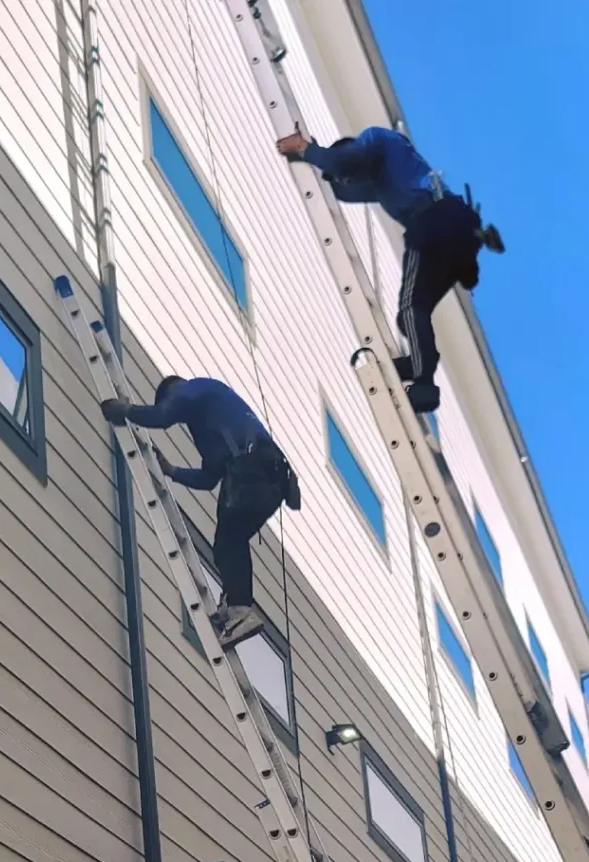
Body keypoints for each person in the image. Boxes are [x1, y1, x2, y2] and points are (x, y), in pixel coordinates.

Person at [277, 125, 505, 414]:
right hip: (455, 231)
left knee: (411, 309)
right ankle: (417, 365)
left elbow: (342, 163)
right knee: (411, 317)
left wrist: (306, 149)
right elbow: (344, 190)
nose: (350, 179)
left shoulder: (376, 140)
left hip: (434, 223)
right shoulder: (388, 173)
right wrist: (319, 163)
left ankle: (424, 386)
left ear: (354, 149)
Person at [102, 376, 300, 650]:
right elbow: (209, 478)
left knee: (229, 541)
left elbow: (162, 416)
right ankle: (234, 608)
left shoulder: (193, 389)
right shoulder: (210, 422)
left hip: (254, 469)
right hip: (271, 479)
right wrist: (171, 471)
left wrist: (125, 411)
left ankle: (241, 610)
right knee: (230, 542)